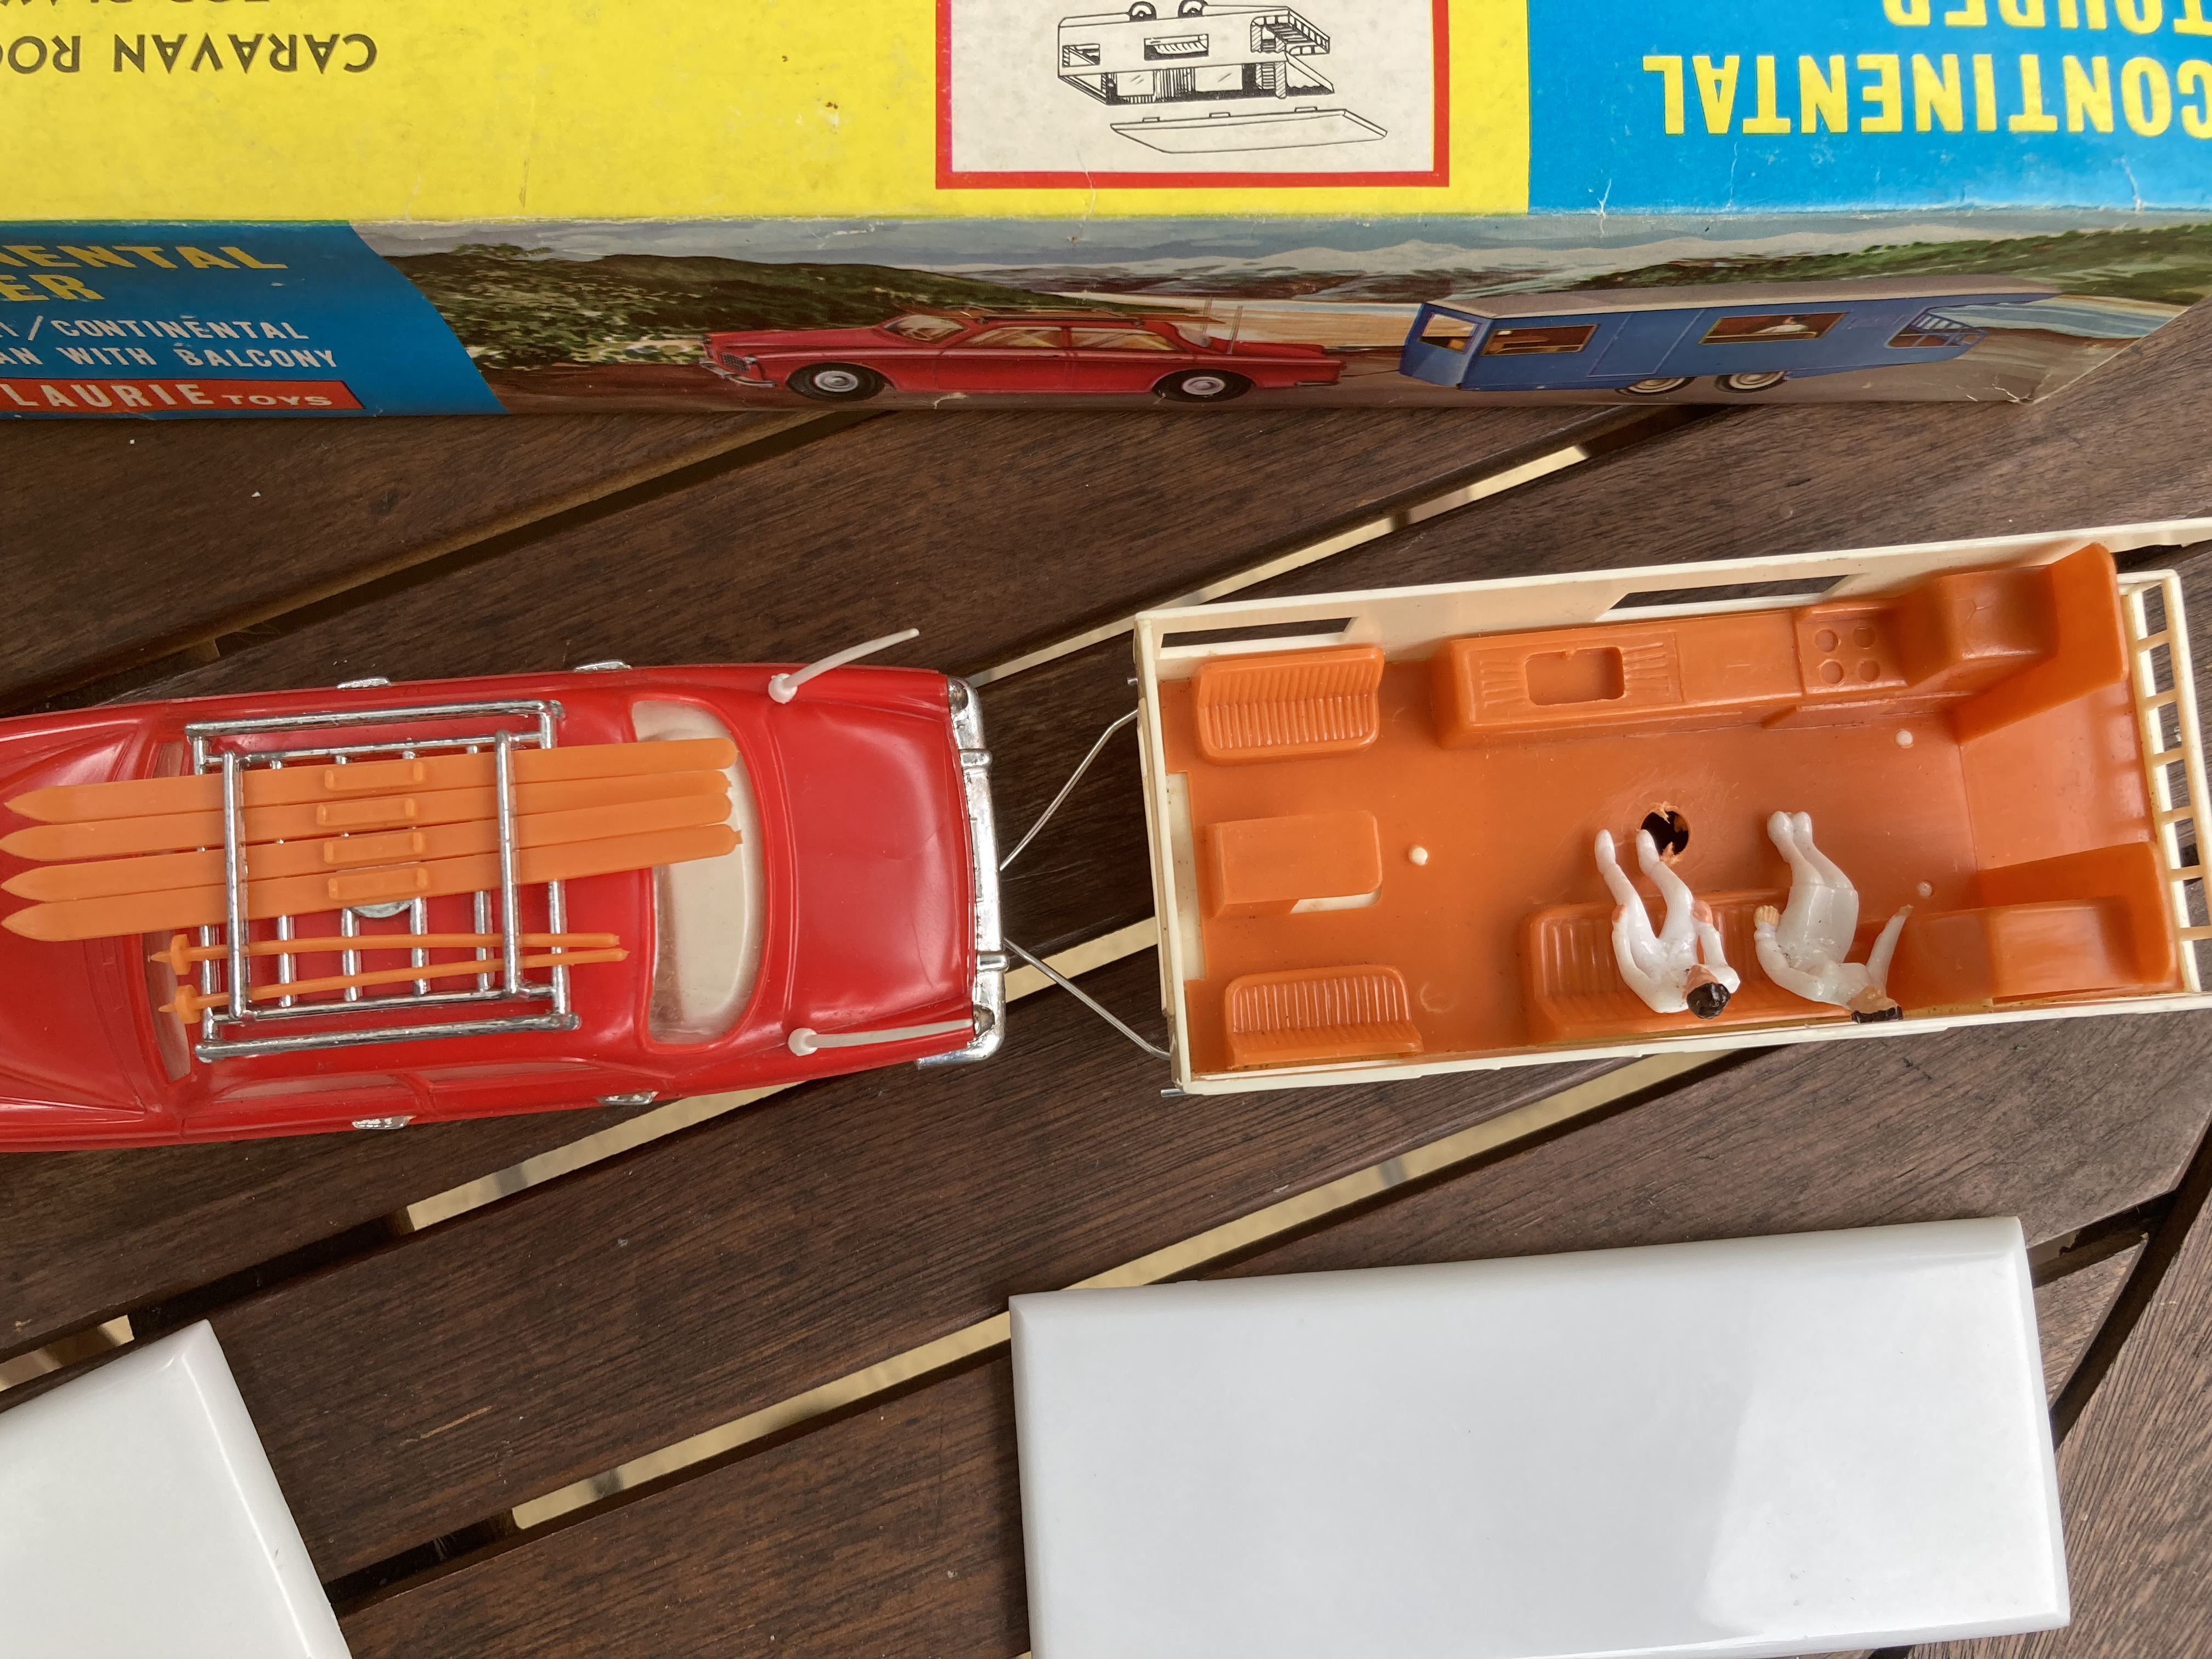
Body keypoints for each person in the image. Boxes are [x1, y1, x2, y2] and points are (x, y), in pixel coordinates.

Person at [1754, 810, 1911, 1022]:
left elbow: (1779, 971)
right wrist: (1898, 920)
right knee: (1844, 889)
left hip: (1797, 947)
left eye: (1874, 1000)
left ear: (1859, 1011)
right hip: (1831, 945)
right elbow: (1882, 956)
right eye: (1884, 997)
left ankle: (1786, 844)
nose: (1877, 993)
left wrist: (1765, 933)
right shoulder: (1874, 985)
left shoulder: (1819, 988)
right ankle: (1805, 843)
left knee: (1812, 883)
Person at [1594, 826, 1740, 1019]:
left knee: (1631, 903)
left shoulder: (1660, 999)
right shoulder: (1728, 978)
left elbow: (1629, 971)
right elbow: (1716, 955)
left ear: (1685, 994)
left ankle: (1608, 866)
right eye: (1706, 974)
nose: (1698, 969)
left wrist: (1619, 931)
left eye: (1694, 979)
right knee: (1682, 896)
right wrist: (1706, 925)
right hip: (1682, 947)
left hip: (1650, 957)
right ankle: (1651, 863)